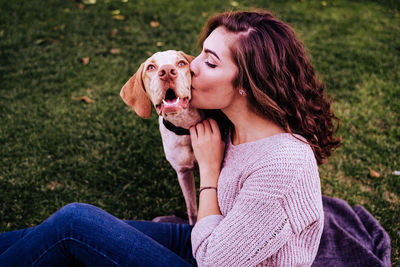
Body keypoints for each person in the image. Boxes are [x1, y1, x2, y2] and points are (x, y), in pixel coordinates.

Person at [0, 10, 341, 266]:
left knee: (75, 223)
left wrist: (208, 173)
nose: (188, 69)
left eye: (208, 62)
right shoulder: (233, 127)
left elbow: (212, 260)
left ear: (246, 84)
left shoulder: (282, 166)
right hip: (212, 238)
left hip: (211, 257)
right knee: (50, 232)